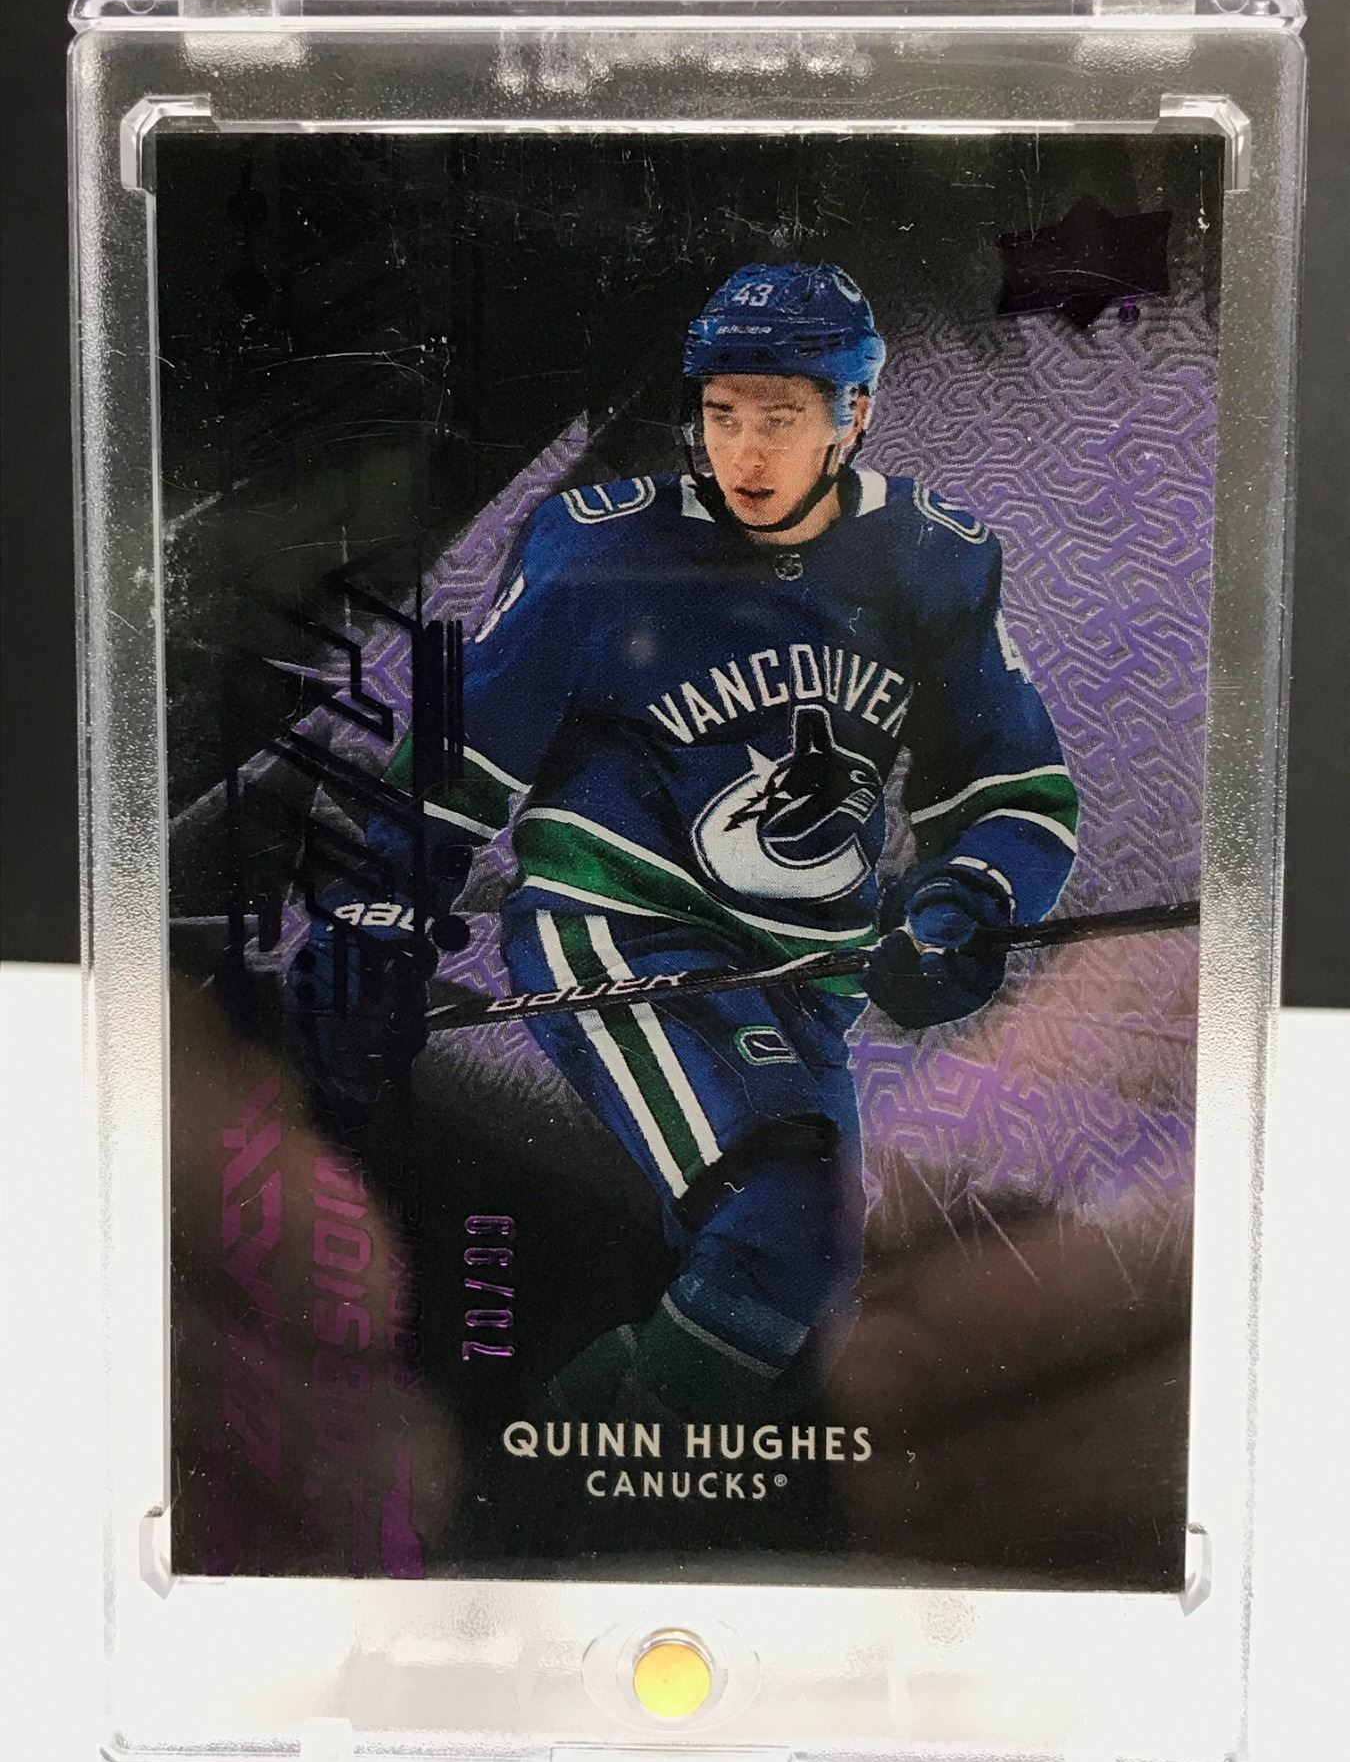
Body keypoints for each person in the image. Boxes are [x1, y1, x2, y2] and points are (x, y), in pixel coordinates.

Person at [290, 263, 1079, 1419]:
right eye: (722, 415)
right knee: (782, 1231)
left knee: (802, 1286)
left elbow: (1014, 794)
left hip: (808, 974)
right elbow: (463, 753)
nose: (744, 454)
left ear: (855, 411)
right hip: (625, 923)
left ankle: (566, 1459)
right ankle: (570, 1492)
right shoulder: (603, 549)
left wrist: (970, 899)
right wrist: (380, 901)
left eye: (781, 418)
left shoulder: (933, 556)